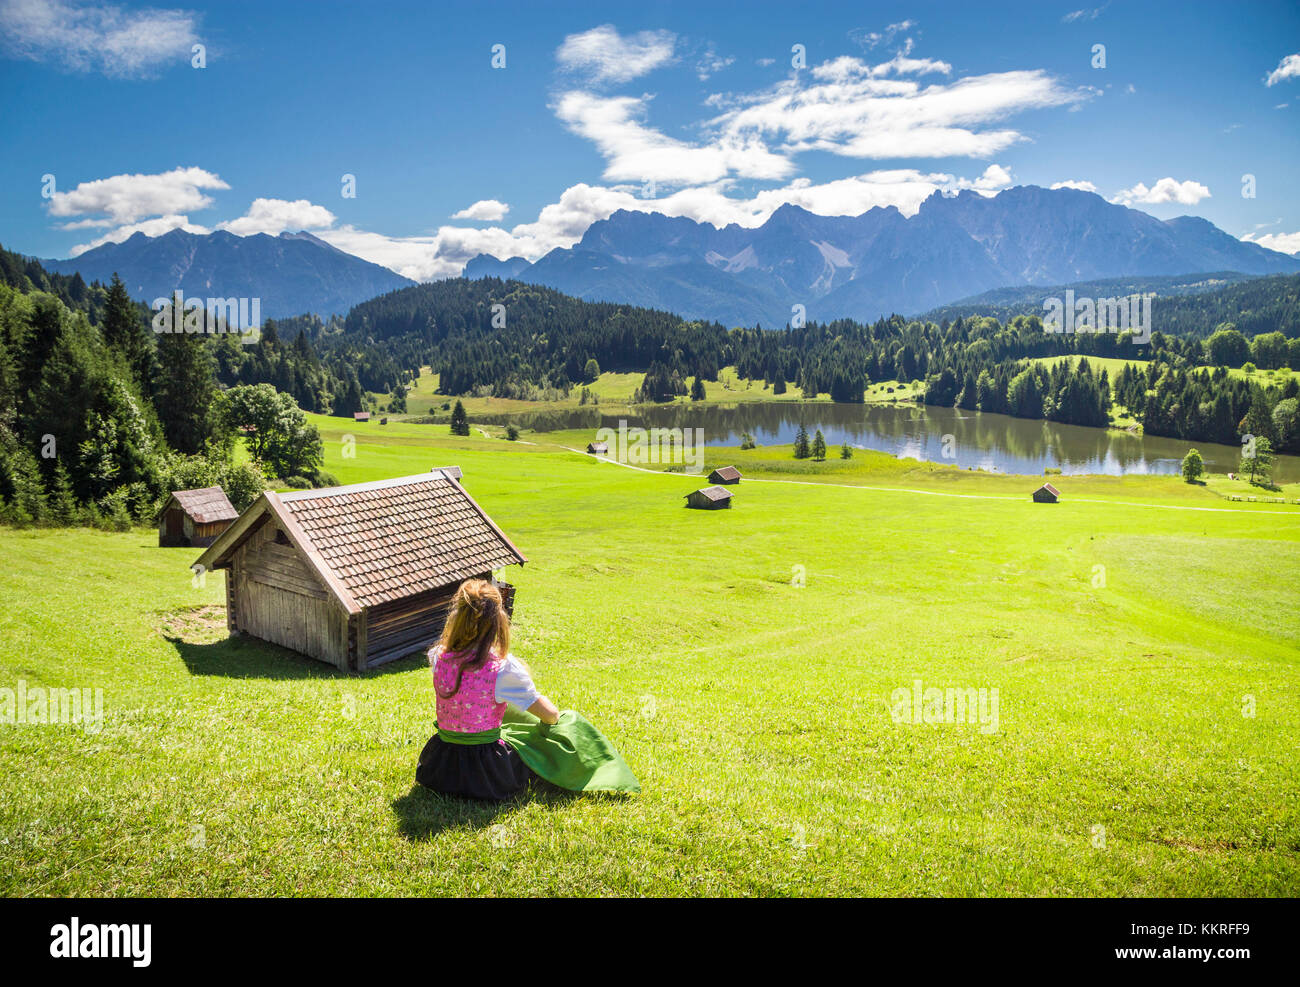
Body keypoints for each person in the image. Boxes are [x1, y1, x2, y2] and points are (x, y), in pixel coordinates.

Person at [415, 579, 640, 800]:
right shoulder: (502, 668)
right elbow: (550, 715)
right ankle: (598, 771)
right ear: (498, 621)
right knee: (567, 720)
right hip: (487, 775)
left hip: (441, 767)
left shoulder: (438, 656)